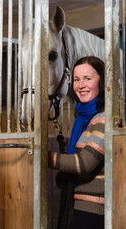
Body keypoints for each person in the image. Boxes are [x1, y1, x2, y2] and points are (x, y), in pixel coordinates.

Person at [49, 56, 105, 229]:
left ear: (101, 82)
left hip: (97, 210)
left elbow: (85, 163)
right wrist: (68, 174)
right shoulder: (82, 118)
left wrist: (45, 156)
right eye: (76, 79)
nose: (81, 85)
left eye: (88, 78)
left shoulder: (104, 118)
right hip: (82, 205)